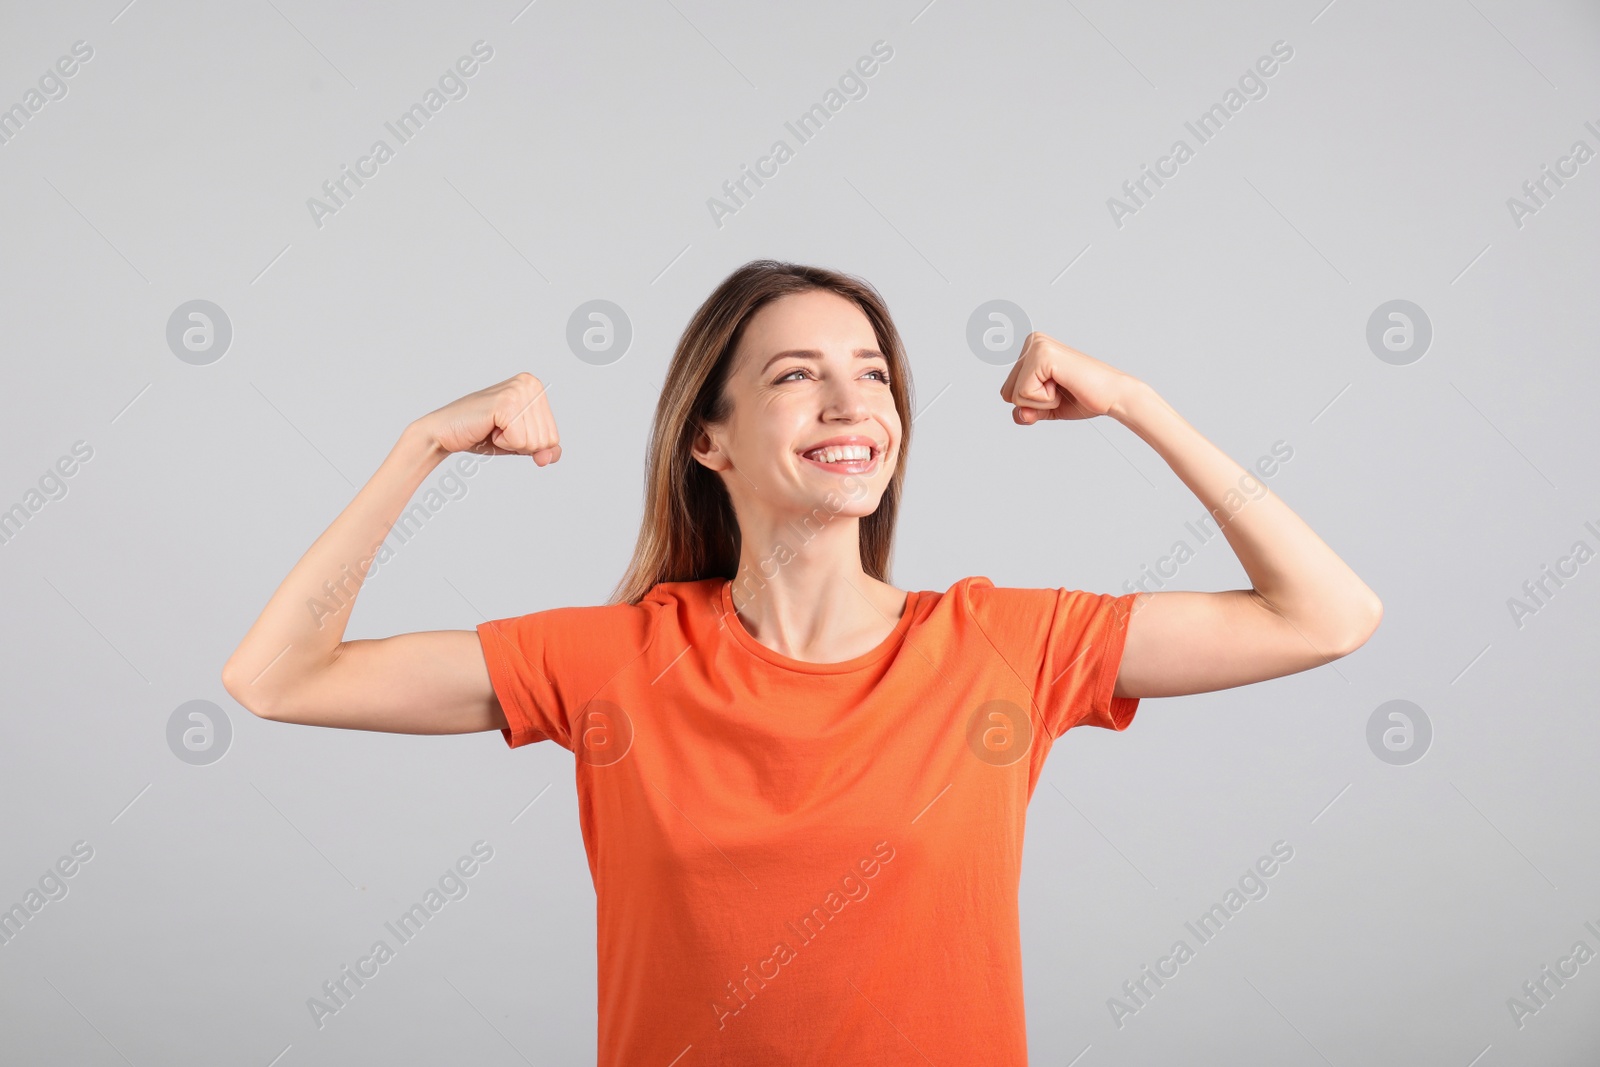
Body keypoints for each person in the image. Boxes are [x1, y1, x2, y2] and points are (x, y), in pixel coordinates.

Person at [222, 259, 1381, 1065]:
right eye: (795, 374)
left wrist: (1137, 402)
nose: (850, 400)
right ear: (705, 437)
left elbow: (1324, 613)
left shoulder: (1003, 645)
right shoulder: (613, 661)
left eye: (872, 371)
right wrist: (418, 444)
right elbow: (279, 676)